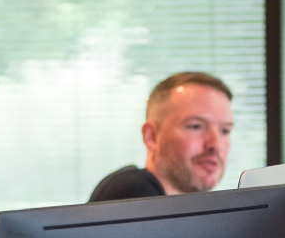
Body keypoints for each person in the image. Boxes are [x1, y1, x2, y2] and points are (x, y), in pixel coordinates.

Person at [89, 71, 234, 202]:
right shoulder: (132, 193)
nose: (215, 144)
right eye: (196, 126)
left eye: (225, 131)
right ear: (151, 136)